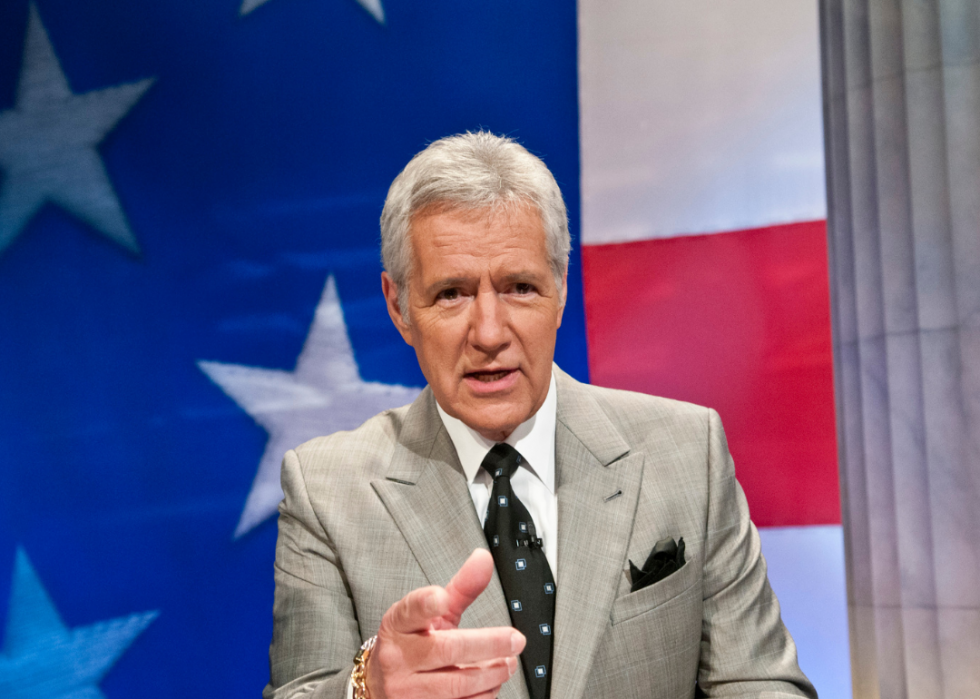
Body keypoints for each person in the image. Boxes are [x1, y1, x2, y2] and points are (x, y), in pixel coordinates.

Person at [263, 131, 817, 699]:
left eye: (520, 287)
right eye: (451, 294)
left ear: (560, 288)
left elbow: (760, 682)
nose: (489, 333)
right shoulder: (326, 492)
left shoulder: (687, 452)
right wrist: (368, 689)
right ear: (399, 306)